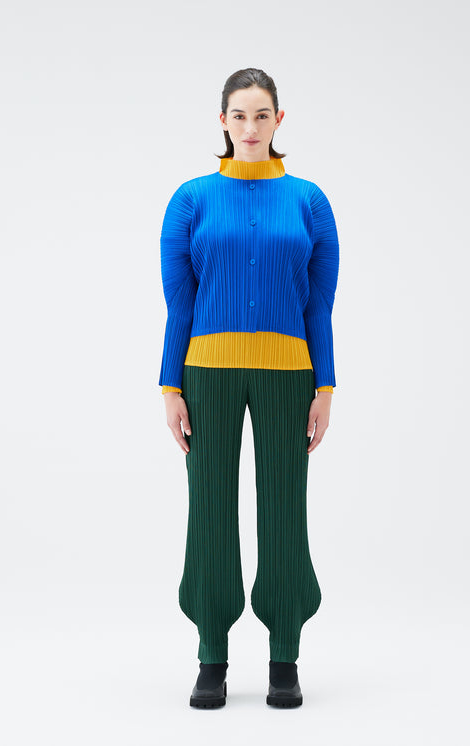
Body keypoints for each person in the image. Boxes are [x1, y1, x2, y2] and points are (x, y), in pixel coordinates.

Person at [158, 68, 340, 708]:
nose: (251, 126)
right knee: (209, 508)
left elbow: (319, 305)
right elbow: (179, 304)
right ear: (223, 121)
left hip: (290, 376)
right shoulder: (192, 200)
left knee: (285, 509)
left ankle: (284, 655)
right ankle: (211, 655)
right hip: (206, 373)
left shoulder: (309, 201)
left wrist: (325, 387)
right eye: (239, 115)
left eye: (262, 115)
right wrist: (170, 387)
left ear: (279, 120)